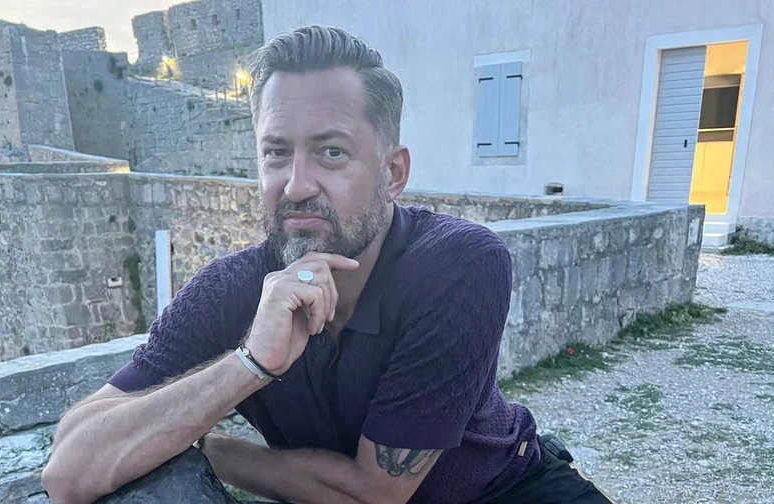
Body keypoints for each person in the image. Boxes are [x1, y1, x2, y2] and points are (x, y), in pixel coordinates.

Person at [42, 25, 614, 504]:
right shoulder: (229, 291)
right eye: (276, 152)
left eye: (331, 152)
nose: (296, 185)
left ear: (393, 173)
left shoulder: (458, 264)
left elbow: (377, 493)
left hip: (507, 491)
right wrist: (250, 363)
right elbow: (66, 470)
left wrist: (214, 450)